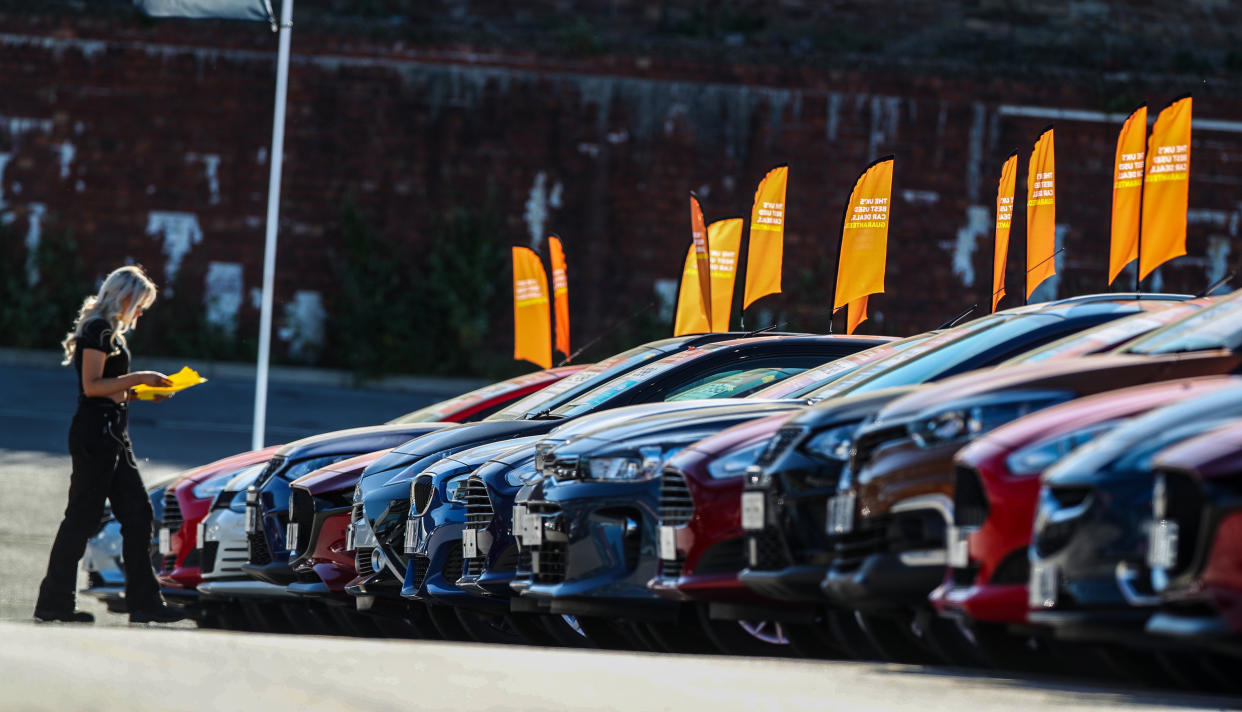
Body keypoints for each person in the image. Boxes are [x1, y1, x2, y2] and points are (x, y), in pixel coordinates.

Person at [34, 265, 188, 624]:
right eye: (140, 304)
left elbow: (110, 389)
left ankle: (145, 603)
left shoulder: (109, 332)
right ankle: (53, 603)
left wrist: (143, 393)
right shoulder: (98, 328)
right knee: (82, 518)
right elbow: (92, 386)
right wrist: (142, 377)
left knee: (138, 514)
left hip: (113, 432)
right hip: (96, 435)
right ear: (125, 296)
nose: (141, 312)